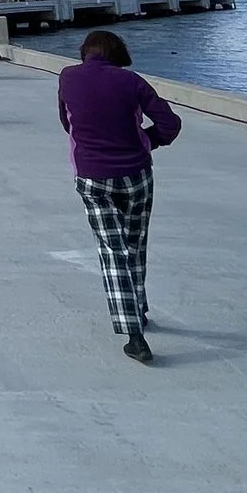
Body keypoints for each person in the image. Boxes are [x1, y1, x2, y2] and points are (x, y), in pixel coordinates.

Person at [57, 27, 181, 363]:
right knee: (135, 244)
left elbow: (68, 124)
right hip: (136, 174)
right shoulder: (132, 82)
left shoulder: (68, 78)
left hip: (92, 177)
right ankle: (138, 309)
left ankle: (133, 334)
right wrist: (147, 141)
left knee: (112, 251)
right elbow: (170, 123)